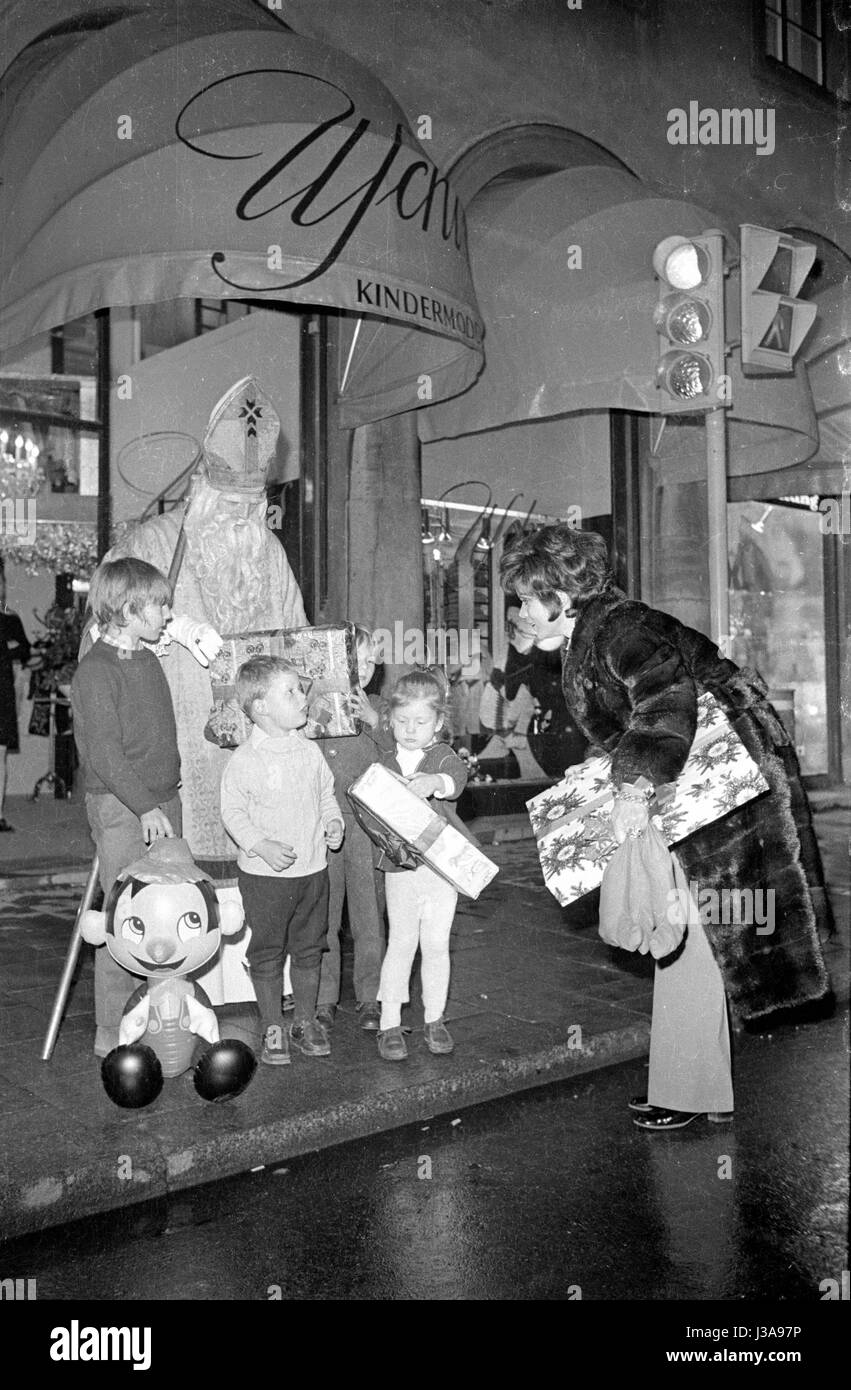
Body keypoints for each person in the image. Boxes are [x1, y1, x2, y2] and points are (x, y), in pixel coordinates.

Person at [500, 524, 833, 1131]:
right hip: (701, 774)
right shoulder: (596, 631)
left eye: (526, 597)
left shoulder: (621, 627)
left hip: (717, 777)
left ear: (561, 594)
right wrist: (609, 763)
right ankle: (693, 1083)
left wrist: (632, 785)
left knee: (686, 918)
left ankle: (687, 1087)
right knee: (693, 919)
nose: (521, 611)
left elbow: (662, 705)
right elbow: (641, 716)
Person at [108, 376, 308, 879]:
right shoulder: (151, 546)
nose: (244, 519)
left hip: (257, 769)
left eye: (252, 506)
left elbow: (299, 645)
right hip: (174, 764)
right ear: (202, 490)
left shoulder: (270, 553)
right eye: (229, 505)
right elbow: (104, 632)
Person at [70, 558, 182, 1057]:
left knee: (169, 913)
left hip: (161, 801)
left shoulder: (148, 659)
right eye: (157, 604)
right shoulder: (96, 670)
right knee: (126, 916)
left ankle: (161, 1017)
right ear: (127, 609)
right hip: (121, 806)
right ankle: (111, 1030)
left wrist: (165, 796)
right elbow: (105, 753)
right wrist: (143, 807)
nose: (166, 613)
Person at [220, 656, 344, 1066]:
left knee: (310, 948)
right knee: (269, 951)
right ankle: (273, 1023)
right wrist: (259, 844)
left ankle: (305, 1020)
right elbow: (233, 813)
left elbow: (326, 795)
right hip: (265, 878)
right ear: (261, 707)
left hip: (313, 870)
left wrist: (333, 822)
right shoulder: (245, 759)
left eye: (299, 688)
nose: (301, 697)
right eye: (289, 691)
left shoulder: (309, 753)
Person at [374, 669, 470, 1062]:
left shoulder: (442, 756)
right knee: (401, 942)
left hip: (441, 867)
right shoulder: (385, 757)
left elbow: (457, 779)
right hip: (400, 867)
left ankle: (434, 1018)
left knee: (435, 944)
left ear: (439, 723)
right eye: (401, 722)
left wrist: (436, 781)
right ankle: (390, 1022)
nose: (410, 730)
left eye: (421, 722)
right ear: (390, 719)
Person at [316, 625, 387, 1031]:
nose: (368, 666)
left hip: (366, 825)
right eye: (358, 658)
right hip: (325, 826)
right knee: (324, 915)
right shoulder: (315, 707)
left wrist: (377, 723)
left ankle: (370, 997)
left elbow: (399, 754)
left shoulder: (378, 706)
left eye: (373, 660)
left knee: (368, 915)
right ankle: (325, 998)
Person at [0, 563, 31, 831]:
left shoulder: (10, 619)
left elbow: (24, 649)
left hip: (3, 694)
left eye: (1, 581)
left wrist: (6, 651)